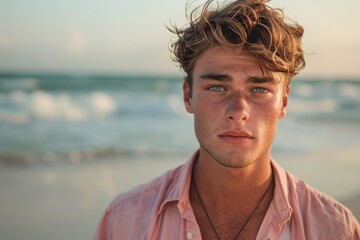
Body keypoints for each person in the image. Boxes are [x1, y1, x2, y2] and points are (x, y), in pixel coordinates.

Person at [94, 0, 360, 239]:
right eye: (217, 87)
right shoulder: (125, 222)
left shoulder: (334, 229)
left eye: (259, 89)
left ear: (284, 102)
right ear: (188, 96)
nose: (238, 110)